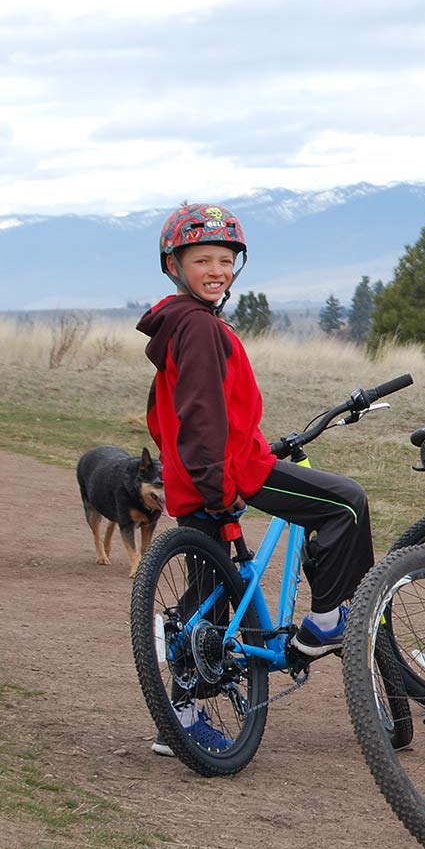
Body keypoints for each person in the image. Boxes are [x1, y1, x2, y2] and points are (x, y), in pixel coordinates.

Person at [138, 203, 376, 755]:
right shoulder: (198, 327)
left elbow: (165, 413)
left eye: (226, 259)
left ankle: (180, 717)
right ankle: (325, 624)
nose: (216, 270)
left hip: (195, 478)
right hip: (229, 473)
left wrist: (207, 466)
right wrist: (222, 480)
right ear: (174, 265)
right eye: (202, 260)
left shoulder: (179, 323)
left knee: (209, 603)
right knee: (345, 506)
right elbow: (202, 415)